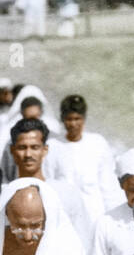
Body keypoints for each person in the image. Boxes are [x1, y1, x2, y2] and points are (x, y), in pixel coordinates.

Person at [44, 94, 121, 244]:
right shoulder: (53, 146)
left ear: (84, 119)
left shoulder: (97, 144)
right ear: (62, 119)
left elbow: (108, 186)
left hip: (94, 216)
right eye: (69, 119)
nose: (73, 124)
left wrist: (113, 219)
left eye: (77, 119)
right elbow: (49, 183)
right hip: (66, 218)